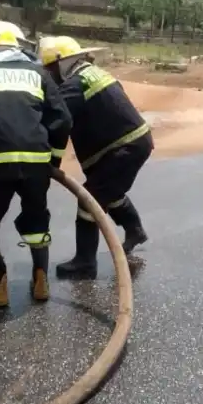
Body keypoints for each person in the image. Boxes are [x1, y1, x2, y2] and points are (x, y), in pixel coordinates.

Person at [0, 25, 72, 307]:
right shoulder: (39, 74)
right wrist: (53, 161)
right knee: (36, 218)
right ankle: (40, 279)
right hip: (37, 160)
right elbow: (62, 119)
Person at [39, 35, 153, 280]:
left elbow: (58, 124)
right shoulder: (93, 73)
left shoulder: (72, 86)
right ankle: (135, 230)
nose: (48, 75)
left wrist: (49, 162)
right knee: (108, 191)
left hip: (123, 147)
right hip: (130, 143)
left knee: (89, 200)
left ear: (60, 64)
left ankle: (85, 263)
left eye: (49, 69)